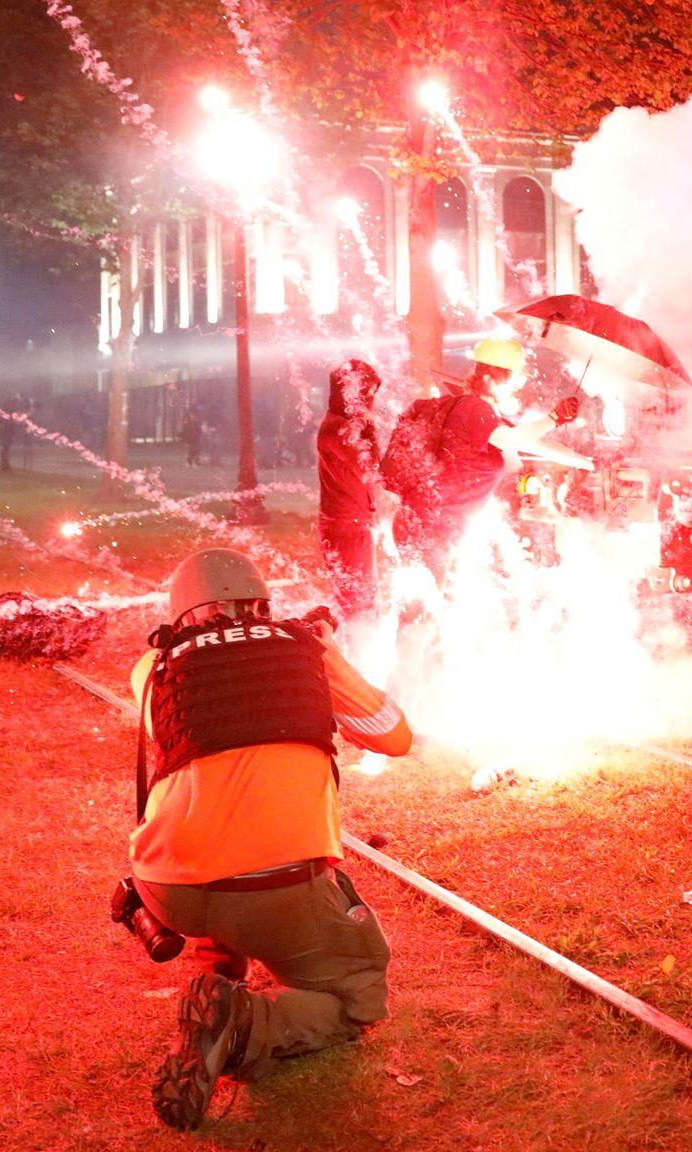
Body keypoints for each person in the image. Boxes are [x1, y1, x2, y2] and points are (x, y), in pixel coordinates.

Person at [127, 547, 412, 1130]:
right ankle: (244, 1025)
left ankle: (218, 980)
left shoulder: (151, 667)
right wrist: (324, 654)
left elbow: (210, 728)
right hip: (277, 882)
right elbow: (393, 736)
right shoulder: (304, 648)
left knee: (214, 842)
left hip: (166, 885)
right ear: (262, 601)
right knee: (354, 1001)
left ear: (181, 614)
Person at [380, 338, 524, 579]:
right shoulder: (475, 410)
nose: (517, 389)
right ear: (489, 381)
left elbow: (513, 465)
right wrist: (554, 418)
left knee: (430, 606)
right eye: (513, 382)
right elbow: (512, 446)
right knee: (425, 611)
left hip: (426, 524)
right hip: (430, 528)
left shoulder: (474, 413)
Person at [316, 359, 382, 617]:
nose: (370, 402)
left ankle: (357, 649)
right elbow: (370, 465)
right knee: (357, 604)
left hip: (352, 523)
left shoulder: (342, 426)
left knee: (361, 599)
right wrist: (368, 423)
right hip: (346, 526)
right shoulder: (339, 428)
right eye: (366, 394)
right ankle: (356, 653)